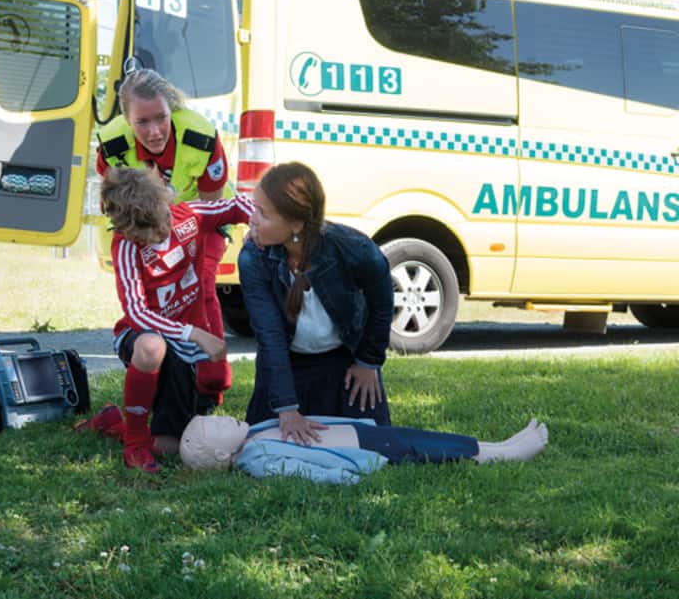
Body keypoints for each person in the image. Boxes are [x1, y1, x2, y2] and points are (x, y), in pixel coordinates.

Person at [92, 167, 253, 473]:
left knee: (172, 445)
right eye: (152, 231)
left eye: (165, 218)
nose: (165, 231)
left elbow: (238, 205)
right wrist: (195, 333)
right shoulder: (126, 246)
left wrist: (255, 225)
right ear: (129, 230)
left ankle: (112, 423)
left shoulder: (189, 215)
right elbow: (137, 313)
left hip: (184, 348)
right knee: (152, 345)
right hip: (144, 338)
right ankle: (134, 442)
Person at [95, 69, 233, 406]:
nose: (154, 131)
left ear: (172, 109)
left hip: (200, 222)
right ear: (127, 120)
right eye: (142, 122)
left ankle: (212, 381)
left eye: (161, 117)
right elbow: (116, 206)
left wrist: (179, 243)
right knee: (152, 302)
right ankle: (159, 369)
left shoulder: (200, 137)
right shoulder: (112, 146)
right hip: (146, 229)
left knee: (200, 287)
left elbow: (212, 208)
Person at [239, 162, 395, 443]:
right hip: (287, 363)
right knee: (261, 444)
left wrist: (368, 362)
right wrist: (286, 407)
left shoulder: (354, 248)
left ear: (296, 224)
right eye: (254, 208)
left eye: (263, 213)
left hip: (343, 361)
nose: (252, 220)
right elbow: (270, 335)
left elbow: (382, 302)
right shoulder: (253, 257)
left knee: (374, 443)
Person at [180, 414, 549, 482]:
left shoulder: (253, 435)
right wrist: (342, 477)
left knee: (428, 437)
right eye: (217, 426)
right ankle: (505, 455)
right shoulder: (255, 459)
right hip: (367, 450)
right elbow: (301, 471)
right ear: (220, 455)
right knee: (428, 449)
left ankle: (499, 445)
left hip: (362, 434)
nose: (225, 418)